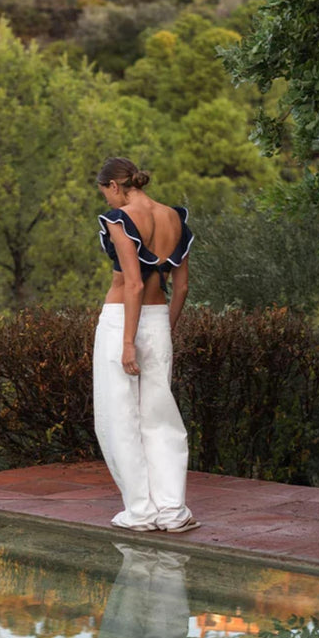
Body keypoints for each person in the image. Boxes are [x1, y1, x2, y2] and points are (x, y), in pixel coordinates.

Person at [93, 156, 199, 532]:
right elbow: (182, 286)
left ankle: (140, 511)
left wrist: (127, 343)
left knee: (118, 417)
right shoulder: (175, 218)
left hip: (123, 321)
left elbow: (133, 285)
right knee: (160, 417)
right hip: (156, 321)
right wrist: (163, 328)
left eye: (105, 191)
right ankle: (172, 511)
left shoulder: (120, 220)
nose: (107, 200)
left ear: (115, 186)